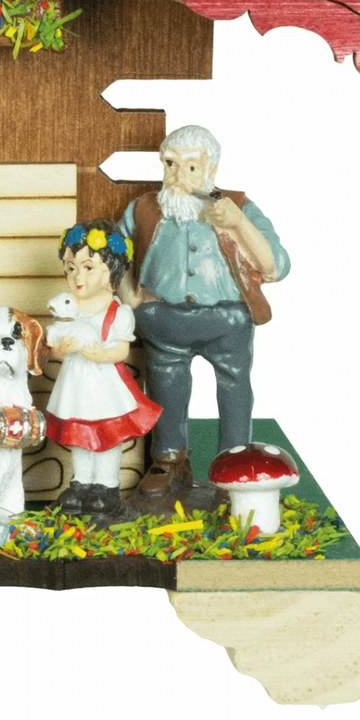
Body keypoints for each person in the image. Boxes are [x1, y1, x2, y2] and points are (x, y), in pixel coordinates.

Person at [119, 125, 289, 495]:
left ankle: (234, 459)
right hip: (164, 322)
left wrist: (239, 224)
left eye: (191, 167)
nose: (178, 176)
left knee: (234, 386)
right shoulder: (145, 208)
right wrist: (129, 294)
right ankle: (169, 460)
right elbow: (114, 254)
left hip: (226, 321)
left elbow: (277, 266)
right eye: (170, 164)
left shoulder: (238, 207)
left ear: (211, 168)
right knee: (166, 386)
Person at [46, 220, 160, 519]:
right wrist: (60, 350)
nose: (77, 276)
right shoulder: (68, 309)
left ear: (111, 272)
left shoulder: (118, 313)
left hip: (104, 387)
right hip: (75, 386)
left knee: (107, 438)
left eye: (88, 268)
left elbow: (121, 351)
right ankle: (81, 483)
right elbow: (55, 347)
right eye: (71, 268)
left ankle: (106, 487)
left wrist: (102, 355)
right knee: (79, 437)